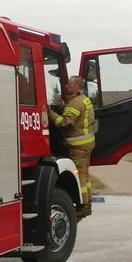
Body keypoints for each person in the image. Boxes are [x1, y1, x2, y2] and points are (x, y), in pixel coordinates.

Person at [50, 76, 96, 217]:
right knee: (86, 176)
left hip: (77, 147)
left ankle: (82, 207)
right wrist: (64, 107)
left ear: (76, 86)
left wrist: (49, 113)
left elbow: (65, 123)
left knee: (81, 178)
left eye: (69, 84)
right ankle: (88, 204)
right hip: (87, 145)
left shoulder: (75, 103)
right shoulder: (84, 99)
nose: (66, 86)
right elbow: (78, 118)